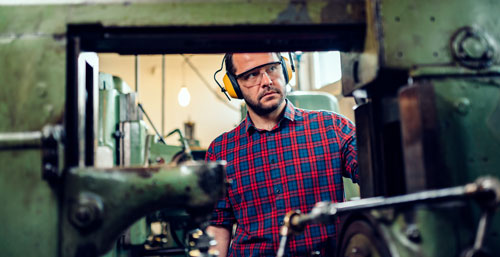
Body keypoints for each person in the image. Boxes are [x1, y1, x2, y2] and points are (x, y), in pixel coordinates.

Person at [205, 52, 358, 256]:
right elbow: (218, 227)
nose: (267, 81)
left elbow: (375, 171)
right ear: (234, 86)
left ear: (286, 69)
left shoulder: (332, 127)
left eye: (272, 68)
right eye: (252, 75)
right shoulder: (221, 150)